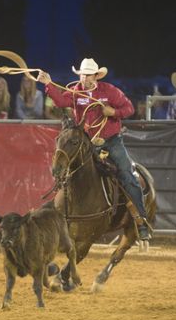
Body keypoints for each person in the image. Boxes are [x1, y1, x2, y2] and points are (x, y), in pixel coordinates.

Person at [37, 57, 150, 241]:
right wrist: (48, 83)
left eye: (88, 75)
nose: (85, 78)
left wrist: (113, 112)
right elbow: (60, 102)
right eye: (82, 74)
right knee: (72, 171)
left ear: (96, 76)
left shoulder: (110, 91)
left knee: (126, 174)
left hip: (111, 141)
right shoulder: (75, 92)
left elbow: (128, 108)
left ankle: (140, 220)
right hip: (88, 142)